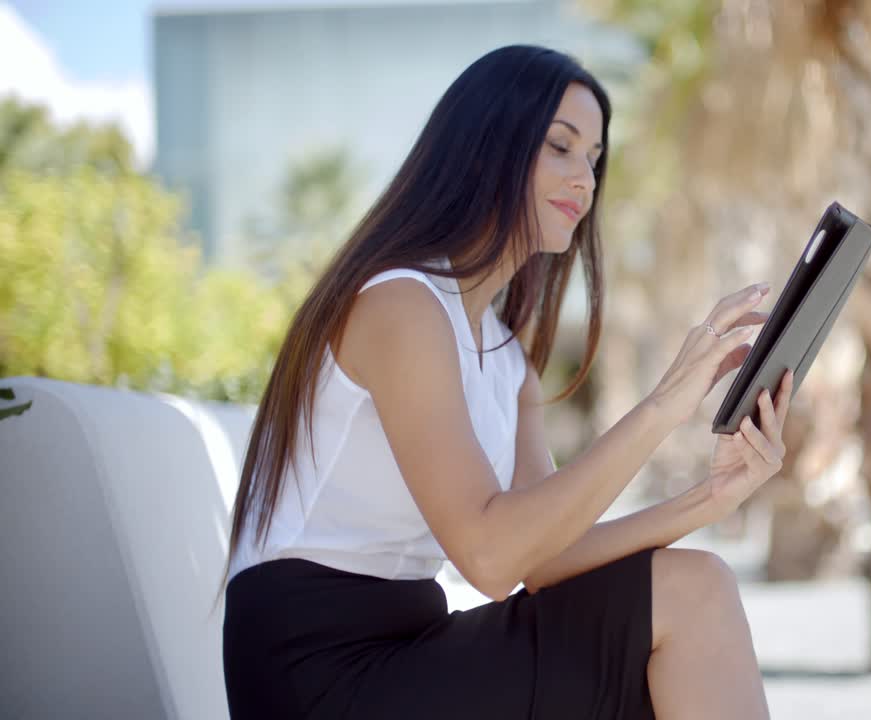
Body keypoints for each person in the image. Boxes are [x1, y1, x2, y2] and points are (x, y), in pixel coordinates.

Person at [220, 44, 792, 720]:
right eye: (560, 146)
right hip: (316, 670)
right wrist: (666, 404)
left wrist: (708, 500)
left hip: (411, 646)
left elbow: (546, 560)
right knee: (690, 598)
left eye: (594, 159)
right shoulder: (400, 305)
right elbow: (490, 557)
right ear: (487, 144)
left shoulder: (506, 355)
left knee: (695, 587)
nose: (584, 178)